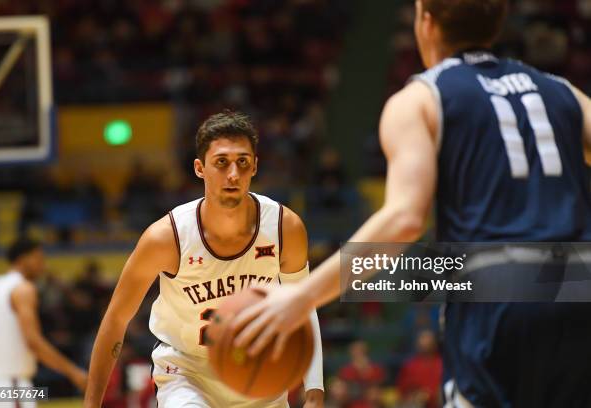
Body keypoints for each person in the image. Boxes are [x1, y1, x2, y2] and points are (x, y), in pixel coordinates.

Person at [233, 0, 591, 406]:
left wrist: (302, 297)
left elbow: (405, 220)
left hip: (497, 292)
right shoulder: (563, 92)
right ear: (498, 22)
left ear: (426, 21)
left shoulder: (421, 99)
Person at [84, 111, 324, 407]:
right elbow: (116, 320)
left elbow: (303, 308)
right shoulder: (166, 238)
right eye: (221, 162)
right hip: (187, 371)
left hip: (260, 369)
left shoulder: (285, 228)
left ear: (255, 167)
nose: (233, 174)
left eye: (243, 162)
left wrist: (314, 392)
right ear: (200, 168)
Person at [0, 238, 88, 407]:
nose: (42, 265)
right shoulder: (23, 288)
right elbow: (33, 341)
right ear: (23, 259)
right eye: (39, 259)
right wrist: (74, 373)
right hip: (11, 386)